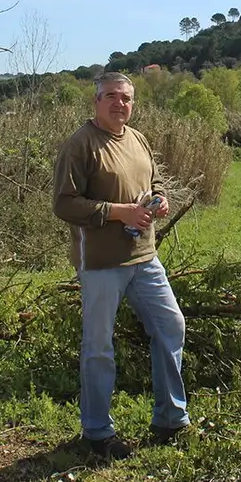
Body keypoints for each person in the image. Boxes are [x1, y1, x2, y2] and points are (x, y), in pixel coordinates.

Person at [51, 71, 191, 460]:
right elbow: (64, 204)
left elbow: (155, 180)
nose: (119, 104)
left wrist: (159, 200)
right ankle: (97, 432)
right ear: (96, 101)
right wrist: (118, 213)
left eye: (126, 98)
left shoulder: (138, 138)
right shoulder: (80, 145)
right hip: (99, 263)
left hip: (144, 257)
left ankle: (170, 419)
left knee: (170, 326)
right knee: (98, 347)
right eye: (111, 96)